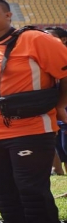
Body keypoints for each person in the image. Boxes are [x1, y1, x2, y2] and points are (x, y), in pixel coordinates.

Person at [0, 0, 67, 223]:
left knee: (31, 193)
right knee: (4, 193)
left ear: (8, 15)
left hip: (30, 130)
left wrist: (60, 105)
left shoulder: (35, 39)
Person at [45, 26, 67, 176]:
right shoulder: (47, 58)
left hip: (63, 109)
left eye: (48, 36)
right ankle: (58, 170)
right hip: (54, 109)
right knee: (58, 146)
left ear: (63, 39)